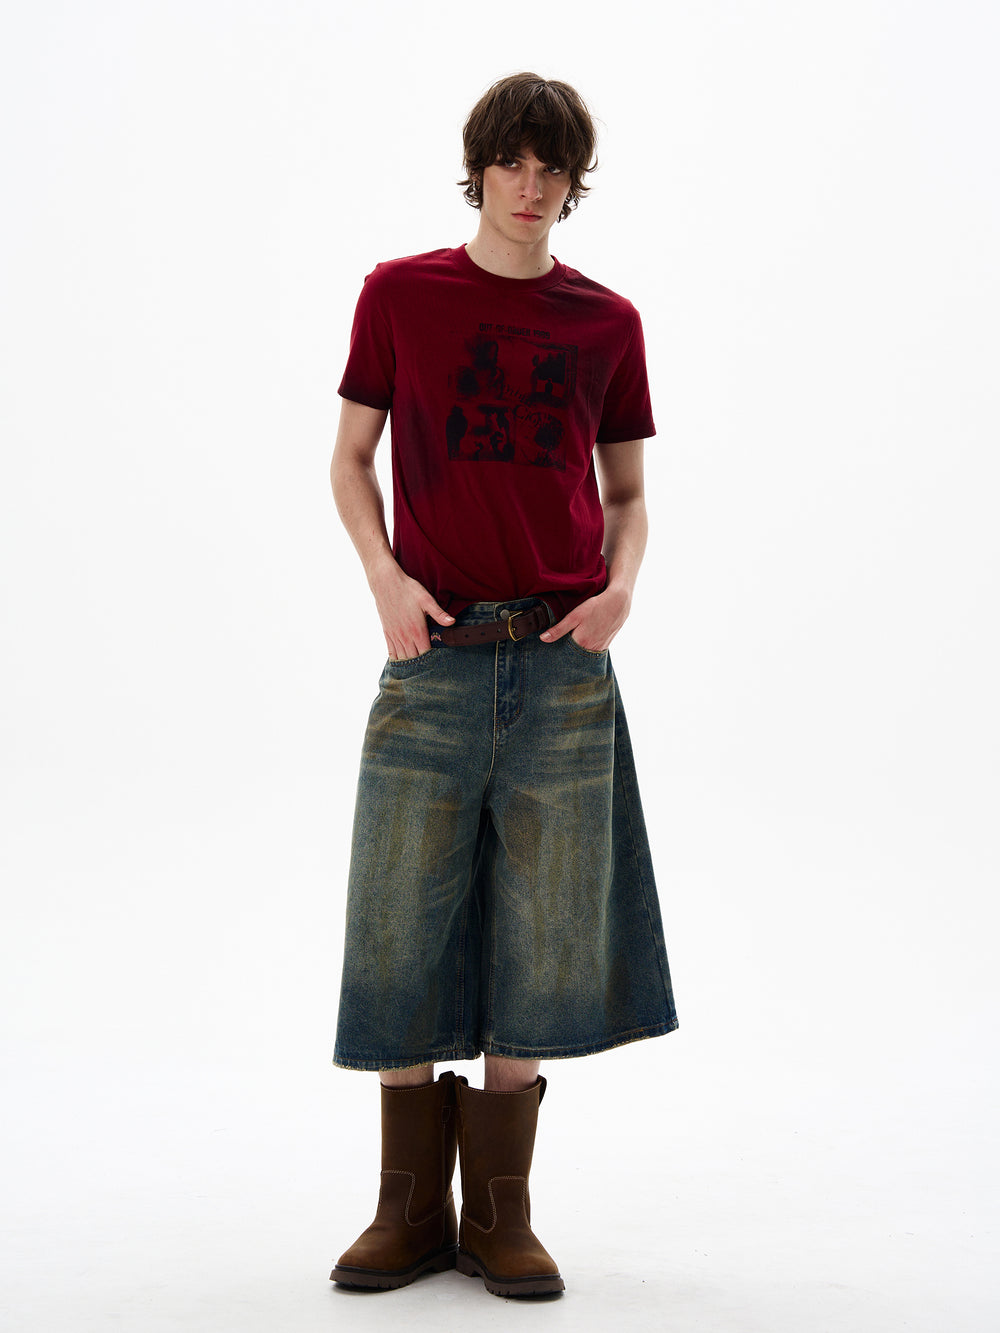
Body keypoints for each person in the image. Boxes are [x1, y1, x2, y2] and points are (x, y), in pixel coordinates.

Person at [328, 72, 678, 1299]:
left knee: (546, 928)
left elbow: (627, 494)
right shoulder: (400, 296)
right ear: (477, 167)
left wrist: (620, 592)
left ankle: (499, 1215)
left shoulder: (607, 323)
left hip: (562, 666)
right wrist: (382, 577)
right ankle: (407, 1208)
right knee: (396, 920)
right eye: (511, 162)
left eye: (552, 167)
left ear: (574, 182)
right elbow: (350, 459)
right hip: (431, 658)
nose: (530, 186)